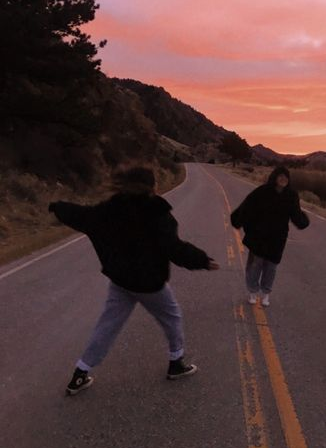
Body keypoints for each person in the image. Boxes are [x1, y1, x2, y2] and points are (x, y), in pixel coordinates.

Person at [49, 165, 219, 396]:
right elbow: (174, 248)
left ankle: (80, 373)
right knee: (172, 317)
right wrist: (202, 260)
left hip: (121, 281)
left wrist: (58, 207)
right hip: (149, 285)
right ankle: (176, 362)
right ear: (151, 187)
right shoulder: (157, 213)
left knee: (108, 325)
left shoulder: (111, 209)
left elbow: (83, 216)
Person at [230, 166, 309, 307]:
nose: (283, 179)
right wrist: (237, 219)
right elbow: (247, 206)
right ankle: (253, 292)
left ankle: (266, 294)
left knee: (271, 267)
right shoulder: (262, 191)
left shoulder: (291, 195)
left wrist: (303, 221)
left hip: (278, 238)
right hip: (259, 236)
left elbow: (295, 213)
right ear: (274, 177)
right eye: (280, 176)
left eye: (286, 177)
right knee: (255, 265)